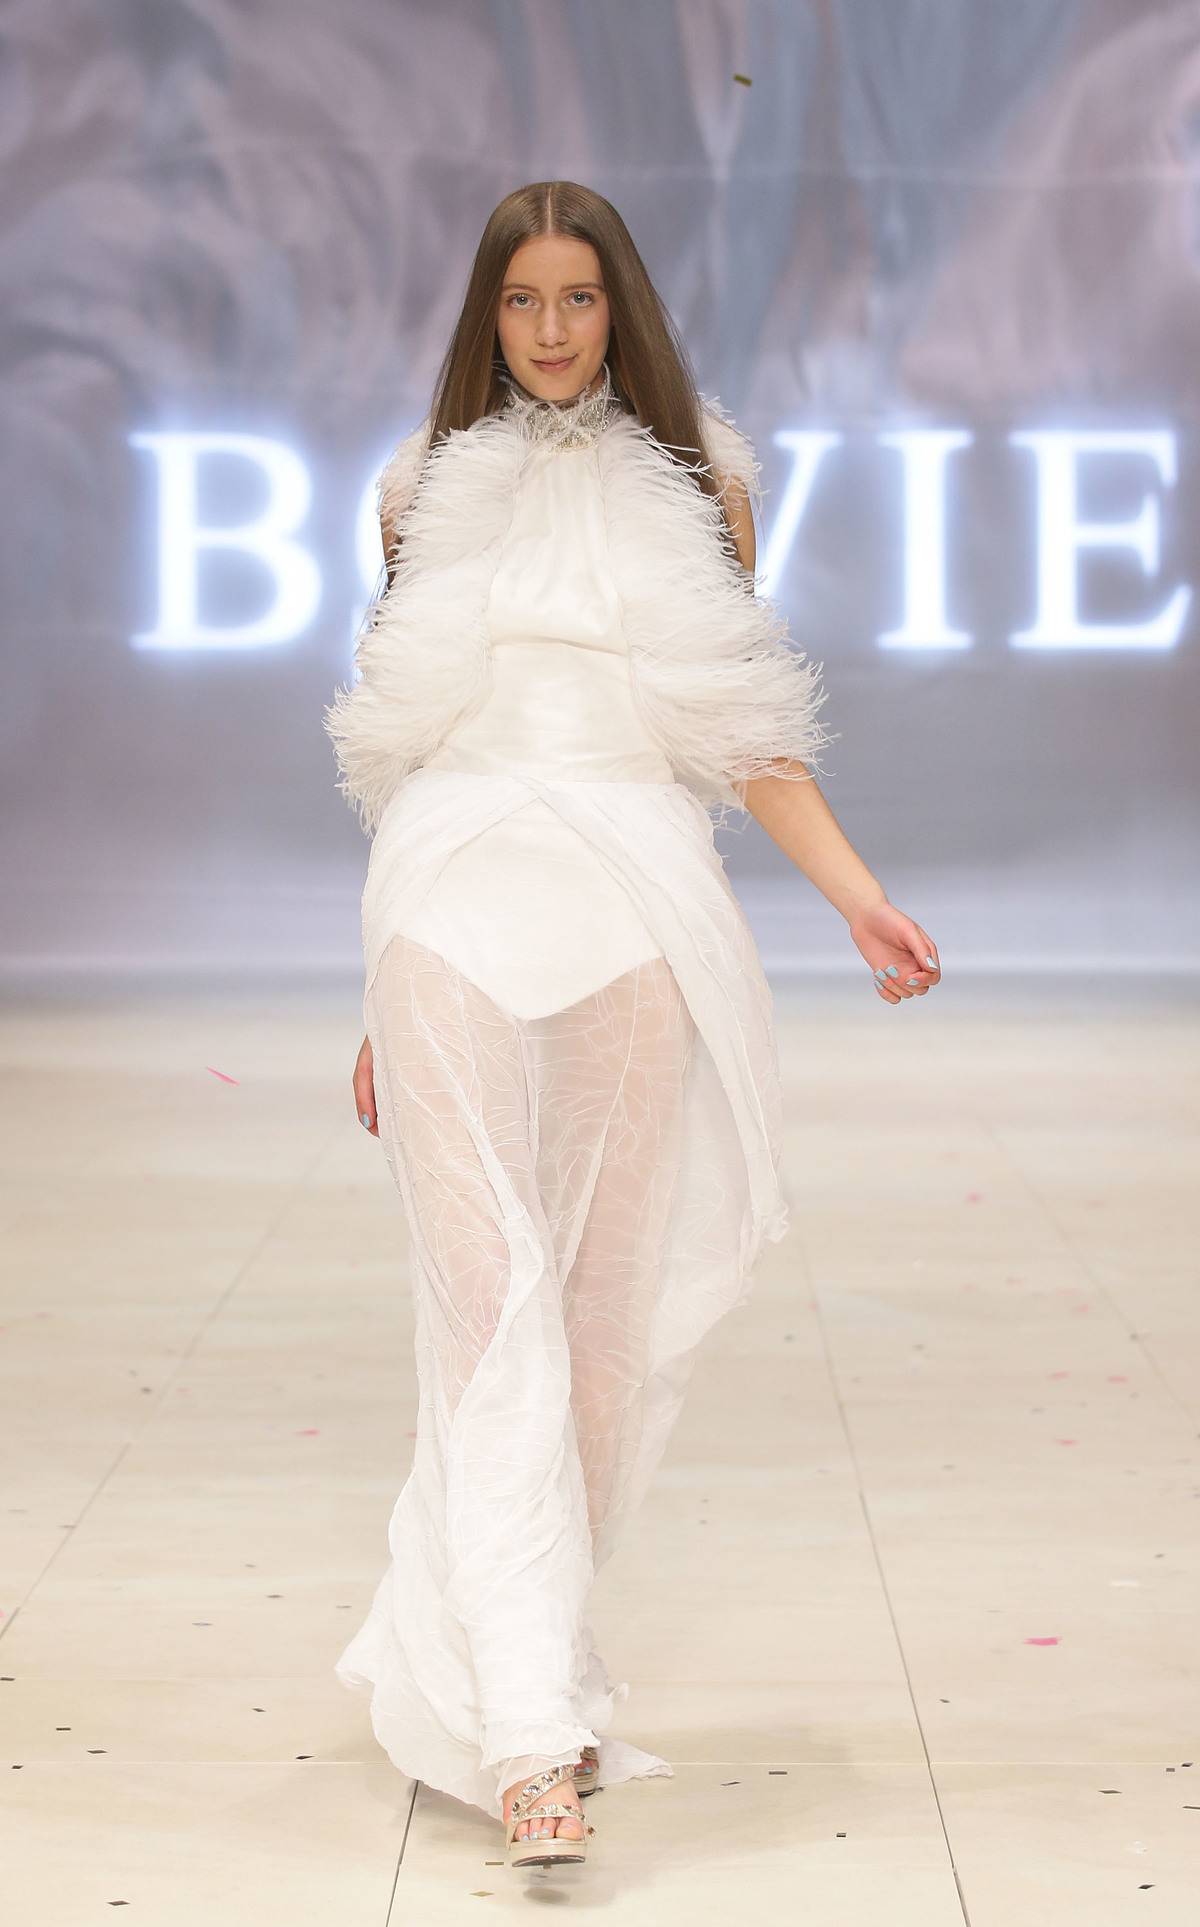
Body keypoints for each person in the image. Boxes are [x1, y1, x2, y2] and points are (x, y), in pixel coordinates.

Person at [324, 180, 941, 1874]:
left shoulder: (715, 490)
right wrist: (374, 994)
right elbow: (400, 737)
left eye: (575, 299)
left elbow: (740, 727)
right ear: (483, 313)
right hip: (451, 883)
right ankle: (533, 1739)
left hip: (634, 892)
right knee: (490, 1313)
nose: (545, 331)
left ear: (621, 309)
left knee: (598, 1338)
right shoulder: (413, 495)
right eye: (518, 301)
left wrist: (855, 894)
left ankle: (521, 1659)